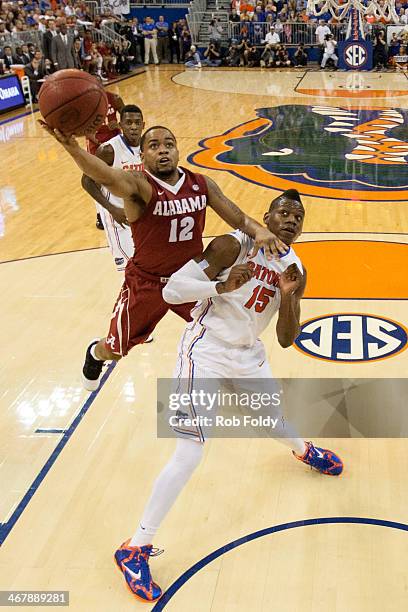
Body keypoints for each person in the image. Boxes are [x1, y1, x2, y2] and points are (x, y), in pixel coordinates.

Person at [113, 189, 343, 602]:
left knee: (270, 419)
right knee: (189, 452)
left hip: (248, 354)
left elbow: (287, 339)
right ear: (266, 217)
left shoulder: (296, 267)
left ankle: (303, 450)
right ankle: (135, 547)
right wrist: (220, 284)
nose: (291, 219)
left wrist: (290, 297)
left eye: (298, 216)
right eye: (283, 212)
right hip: (206, 350)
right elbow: (172, 293)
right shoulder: (232, 244)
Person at [40, 122, 288, 391]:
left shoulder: (201, 184)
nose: (163, 150)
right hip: (147, 284)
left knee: (226, 330)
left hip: (193, 279)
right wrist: (72, 148)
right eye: (154, 146)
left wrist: (259, 231)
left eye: (169, 144)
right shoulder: (138, 185)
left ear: (178, 151)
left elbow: (237, 217)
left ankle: (233, 378)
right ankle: (95, 353)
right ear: (141, 156)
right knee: (115, 348)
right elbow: (105, 176)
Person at [82, 105, 144, 273]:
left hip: (144, 216)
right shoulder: (108, 150)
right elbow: (87, 180)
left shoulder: (148, 147)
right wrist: (111, 209)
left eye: (137, 123)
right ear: (120, 125)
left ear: (143, 125)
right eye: (128, 122)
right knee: (130, 270)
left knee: (148, 267)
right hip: (119, 218)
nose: (133, 127)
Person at [85, 91, 124, 229]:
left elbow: (126, 119)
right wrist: (100, 143)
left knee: (119, 176)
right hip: (97, 146)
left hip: (115, 143)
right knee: (97, 181)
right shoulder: (84, 103)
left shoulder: (114, 98)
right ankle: (100, 215)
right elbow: (85, 130)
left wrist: (119, 125)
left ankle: (124, 205)